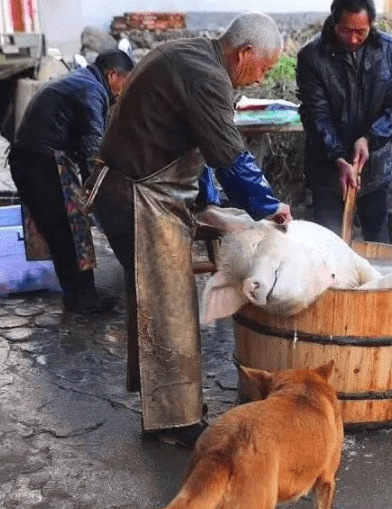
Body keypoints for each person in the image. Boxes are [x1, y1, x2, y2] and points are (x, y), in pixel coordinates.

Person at [90, 12, 293, 448]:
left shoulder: (192, 56)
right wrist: (267, 204)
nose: (261, 79)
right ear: (243, 54)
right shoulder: (207, 75)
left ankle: (160, 402)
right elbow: (228, 155)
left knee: (158, 299)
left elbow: (193, 140)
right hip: (138, 195)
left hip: (137, 187)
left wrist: (208, 204)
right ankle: (174, 421)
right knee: (168, 305)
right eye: (264, 69)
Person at [9, 50, 134, 314]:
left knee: (59, 233)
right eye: (126, 82)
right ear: (112, 75)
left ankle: (76, 296)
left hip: (28, 160)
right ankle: (85, 299)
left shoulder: (81, 80)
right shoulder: (92, 92)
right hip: (43, 162)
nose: (125, 91)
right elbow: (92, 151)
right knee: (71, 230)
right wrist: (108, 196)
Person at [296, 0, 392, 243]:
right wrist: (337, 157)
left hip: (375, 164)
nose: (354, 39)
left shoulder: (386, 48)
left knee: (378, 244)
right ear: (334, 22)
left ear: (371, 25)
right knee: (329, 244)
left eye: (361, 32)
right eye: (346, 30)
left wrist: (369, 138)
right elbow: (316, 115)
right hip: (327, 168)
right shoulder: (312, 56)